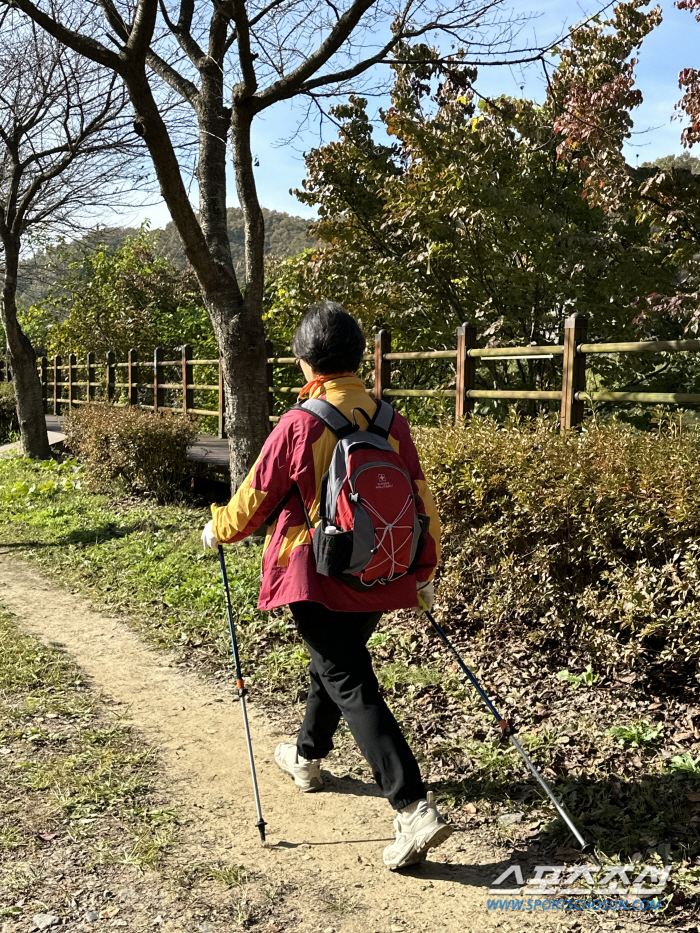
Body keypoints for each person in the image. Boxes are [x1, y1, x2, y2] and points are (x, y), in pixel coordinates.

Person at [201, 301, 452, 870]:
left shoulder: (302, 422)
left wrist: (217, 528)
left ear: (304, 361)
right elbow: (421, 503)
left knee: (345, 674)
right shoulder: (389, 420)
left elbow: (256, 498)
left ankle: (412, 806)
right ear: (358, 359)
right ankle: (307, 757)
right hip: (382, 572)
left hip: (316, 575)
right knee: (336, 663)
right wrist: (424, 571)